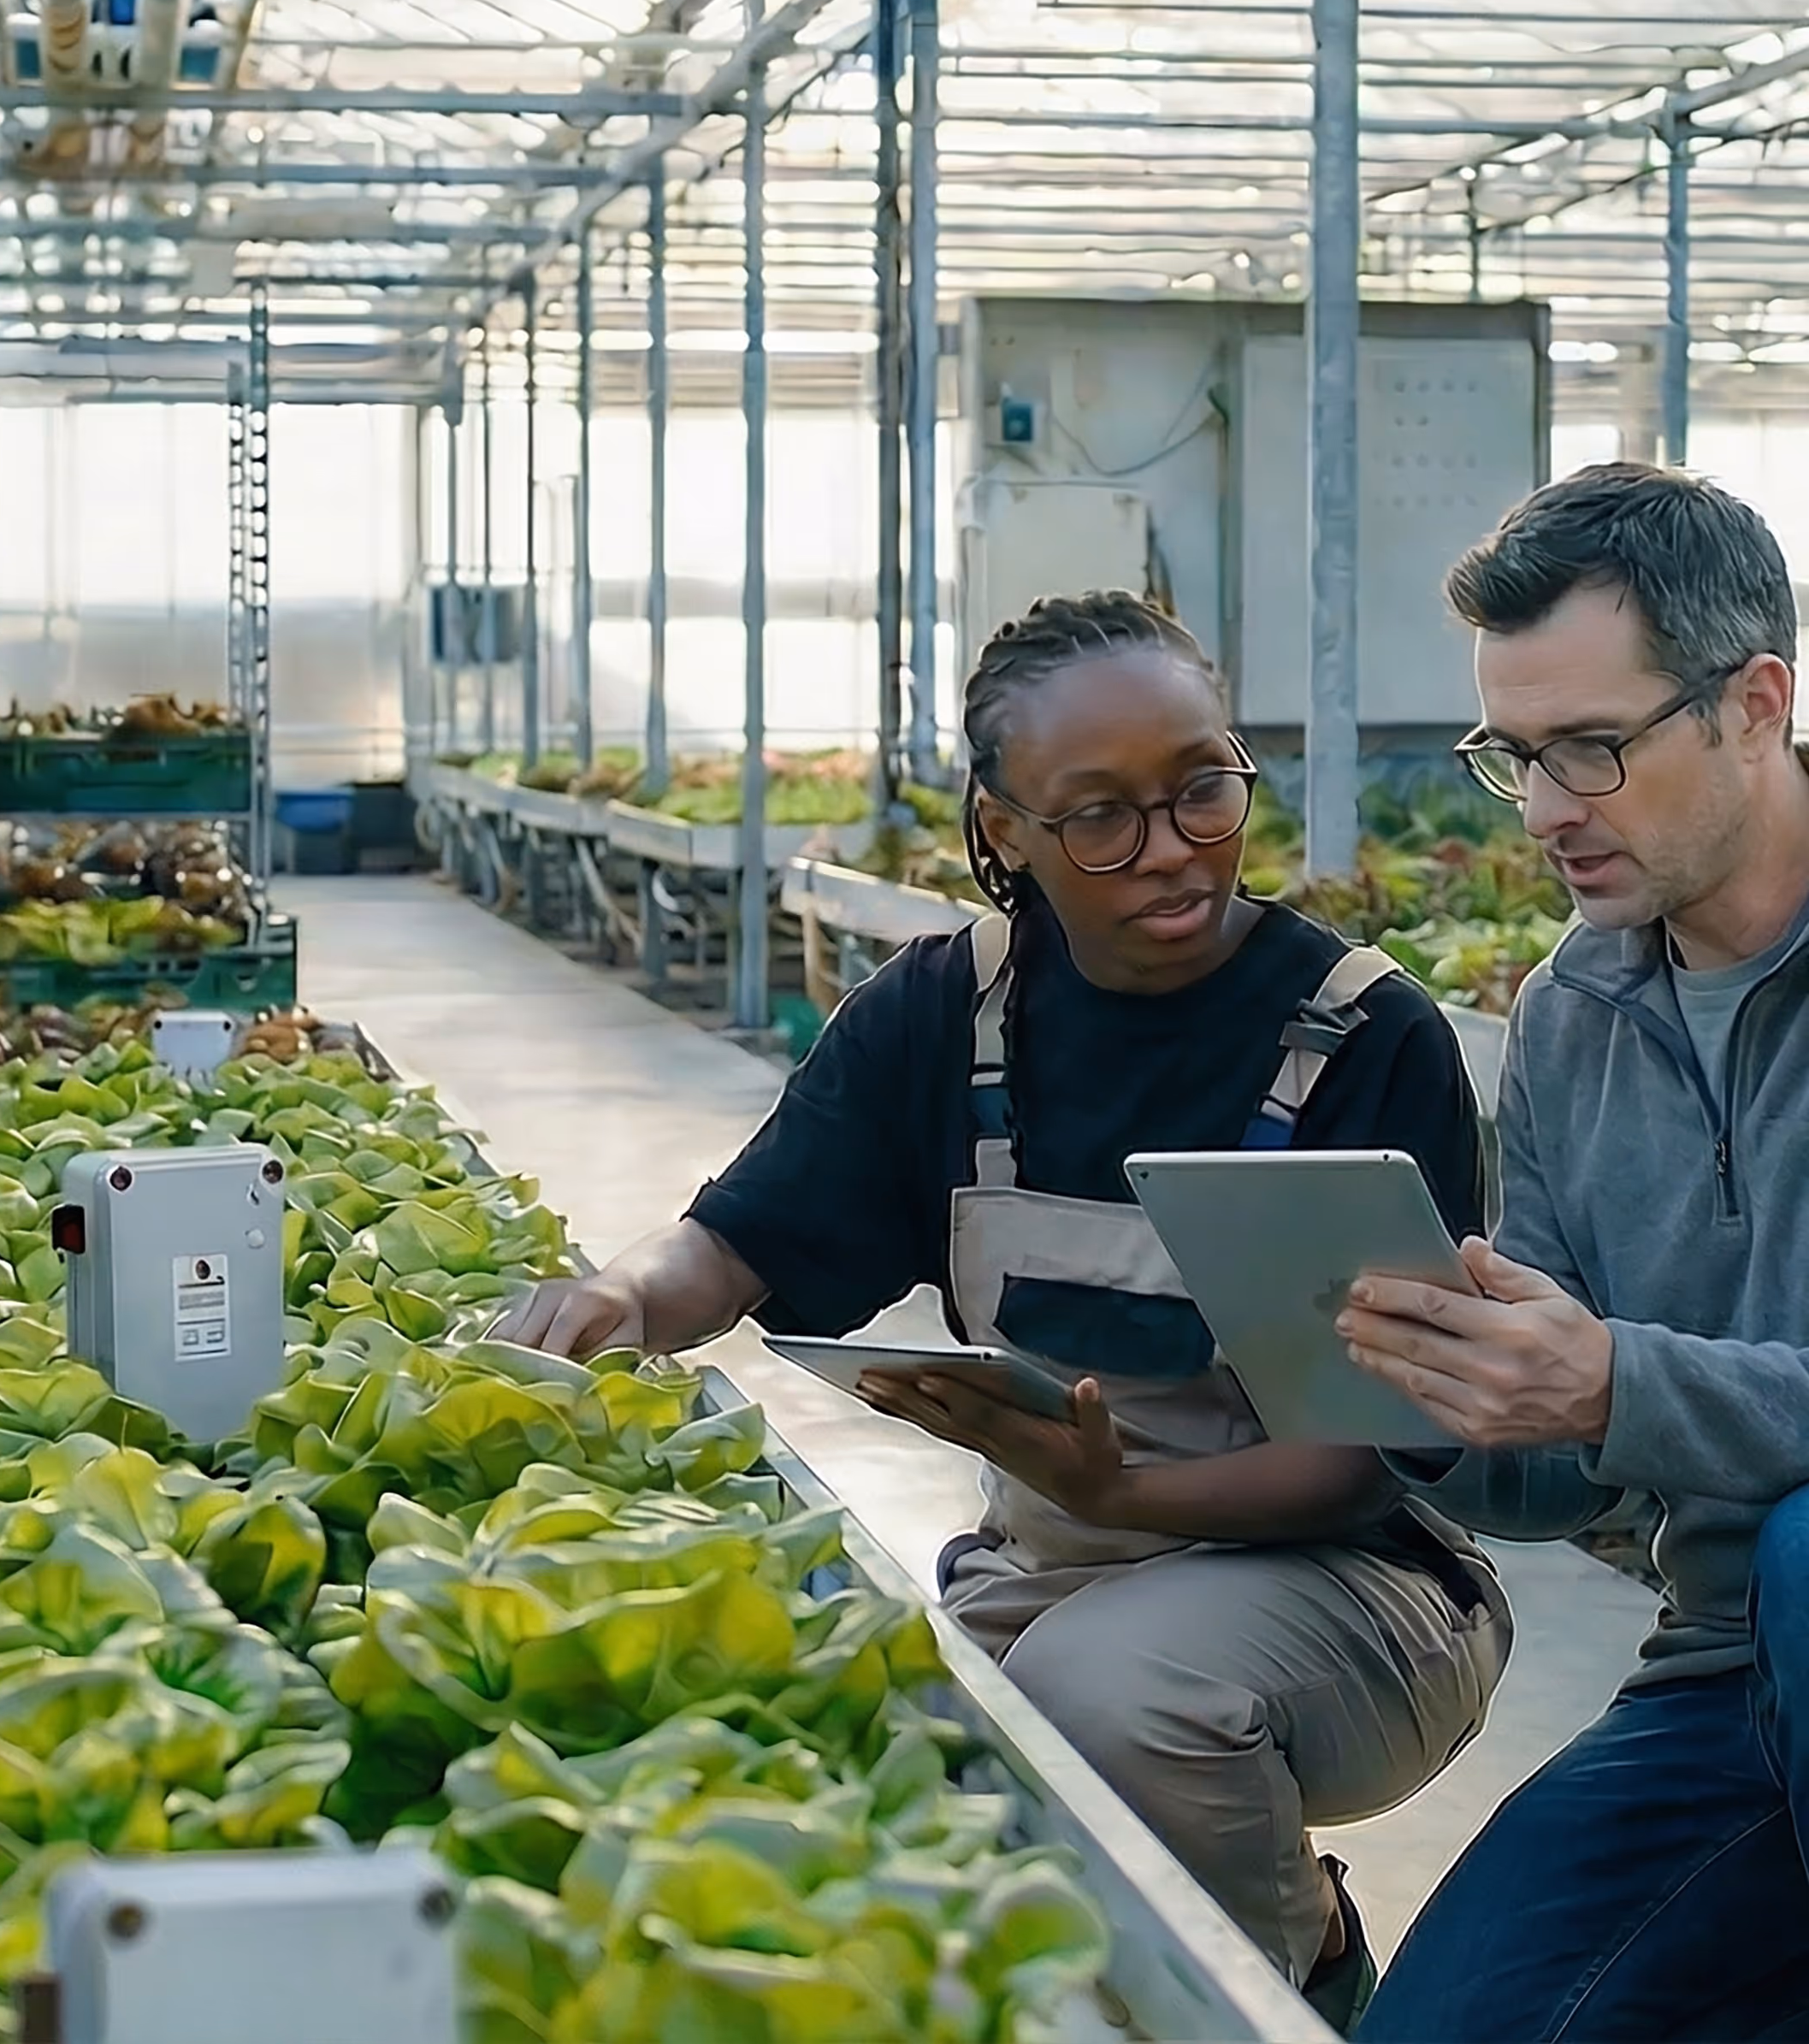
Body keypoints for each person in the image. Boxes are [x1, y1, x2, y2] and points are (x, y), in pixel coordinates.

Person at [502, 589, 1512, 2028]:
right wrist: (615, 1296)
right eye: (1097, 816)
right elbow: (732, 1247)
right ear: (1003, 833)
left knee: (1107, 1703)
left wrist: (1128, 1488)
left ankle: (1299, 1991)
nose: (1170, 851)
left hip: (1362, 1596)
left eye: (1201, 790)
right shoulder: (942, 1020)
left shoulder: (1359, 1039)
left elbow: (1360, 1461)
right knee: (887, 1768)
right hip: (1047, 1567)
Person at [1345, 463, 1809, 2042]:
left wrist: (1619, 1380)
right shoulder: (1571, 1012)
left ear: (1755, 703)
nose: (1546, 810)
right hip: (1724, 1671)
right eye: (1514, 756)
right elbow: (1573, 1471)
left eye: (1594, 750)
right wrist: (1435, 1404)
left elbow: (1629, 1396)